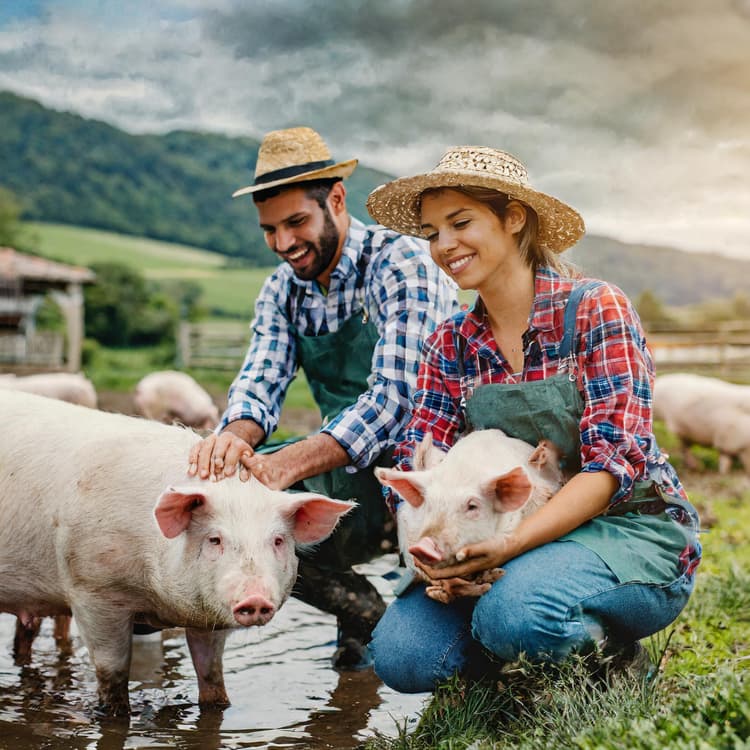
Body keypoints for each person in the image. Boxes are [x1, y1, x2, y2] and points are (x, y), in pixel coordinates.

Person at [364, 146, 702, 692]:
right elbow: (415, 467)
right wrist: (431, 555)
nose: (444, 245)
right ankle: (509, 664)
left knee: (516, 615)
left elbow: (612, 465)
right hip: (491, 533)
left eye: (460, 222)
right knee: (402, 658)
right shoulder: (448, 345)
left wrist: (507, 548)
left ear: (514, 218)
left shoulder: (596, 309)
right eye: (431, 233)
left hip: (627, 530)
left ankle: (606, 656)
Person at [187, 126, 458, 669]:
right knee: (245, 503)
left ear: (336, 200)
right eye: (269, 230)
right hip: (348, 461)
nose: (283, 243)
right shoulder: (281, 291)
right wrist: (233, 442)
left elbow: (396, 399)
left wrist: (284, 464)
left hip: (431, 465)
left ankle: (454, 649)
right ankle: (359, 611)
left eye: (295, 223)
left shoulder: (399, 262)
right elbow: (261, 378)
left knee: (276, 482)